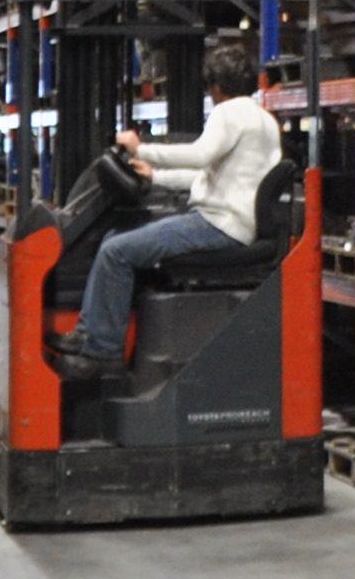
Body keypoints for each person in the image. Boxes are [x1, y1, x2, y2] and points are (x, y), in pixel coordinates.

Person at [52, 54, 280, 375]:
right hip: (229, 221)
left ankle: (103, 353)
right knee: (115, 238)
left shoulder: (229, 112)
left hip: (217, 225)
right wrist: (154, 176)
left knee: (115, 251)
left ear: (216, 86)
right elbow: (207, 177)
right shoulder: (262, 119)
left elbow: (200, 156)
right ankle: (89, 332)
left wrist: (139, 148)